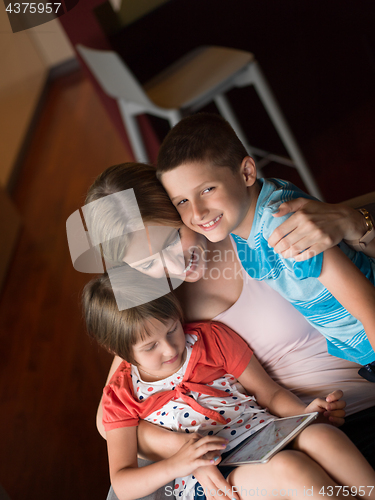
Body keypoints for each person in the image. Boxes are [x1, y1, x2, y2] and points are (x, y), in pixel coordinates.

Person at [84, 163, 375, 476]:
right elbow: (108, 420)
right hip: (299, 433)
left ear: (182, 206)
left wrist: (356, 222)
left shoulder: (251, 223)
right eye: (146, 262)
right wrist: (190, 452)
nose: (175, 265)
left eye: (171, 240)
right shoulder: (155, 305)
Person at [83, 270, 375, 500]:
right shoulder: (121, 396)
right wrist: (178, 463)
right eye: (150, 347)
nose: (170, 349)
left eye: (172, 329)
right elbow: (123, 483)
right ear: (117, 350)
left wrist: (303, 413)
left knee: (321, 436)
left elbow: (269, 393)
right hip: (215, 476)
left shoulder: (210, 339)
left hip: (264, 436)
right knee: (292, 469)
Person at [156, 113, 375, 381]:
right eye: (182, 201)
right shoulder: (240, 223)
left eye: (207, 189)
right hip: (360, 352)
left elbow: (369, 307)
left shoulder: (282, 226)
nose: (198, 213)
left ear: (247, 173)